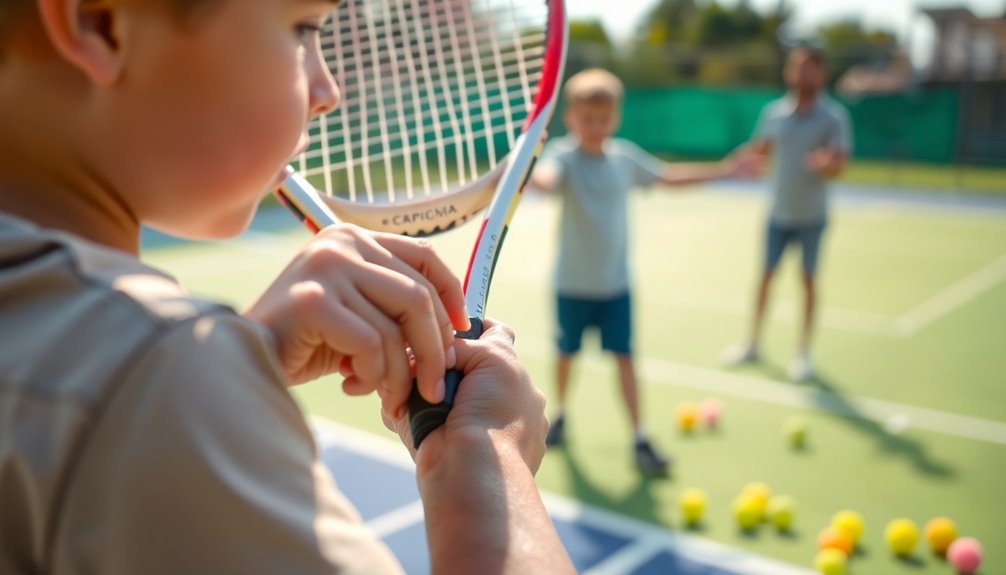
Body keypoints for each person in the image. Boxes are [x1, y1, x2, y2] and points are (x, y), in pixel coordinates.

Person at [0, 1, 574, 573]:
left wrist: (243, 357)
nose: (327, 91)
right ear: (98, 24)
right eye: (302, 29)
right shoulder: (151, 376)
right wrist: (483, 459)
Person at [529, 68, 756, 474]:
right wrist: (529, 173)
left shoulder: (624, 159)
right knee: (566, 355)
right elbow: (546, 181)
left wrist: (725, 170)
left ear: (614, 118)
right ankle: (559, 415)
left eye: (603, 118)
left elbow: (669, 177)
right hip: (572, 285)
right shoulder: (562, 155)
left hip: (615, 286)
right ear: (571, 118)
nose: (595, 127)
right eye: (587, 119)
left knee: (626, 360)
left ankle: (638, 438)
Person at [722, 45, 852, 382]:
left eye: (810, 68)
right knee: (765, 277)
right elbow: (760, 149)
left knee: (808, 281)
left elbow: (839, 165)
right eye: (797, 67)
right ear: (788, 72)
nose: (803, 74)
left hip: (812, 216)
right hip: (777, 214)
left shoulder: (834, 117)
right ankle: (752, 343)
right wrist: (735, 162)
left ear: (821, 74)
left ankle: (802, 353)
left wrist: (828, 165)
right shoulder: (774, 113)